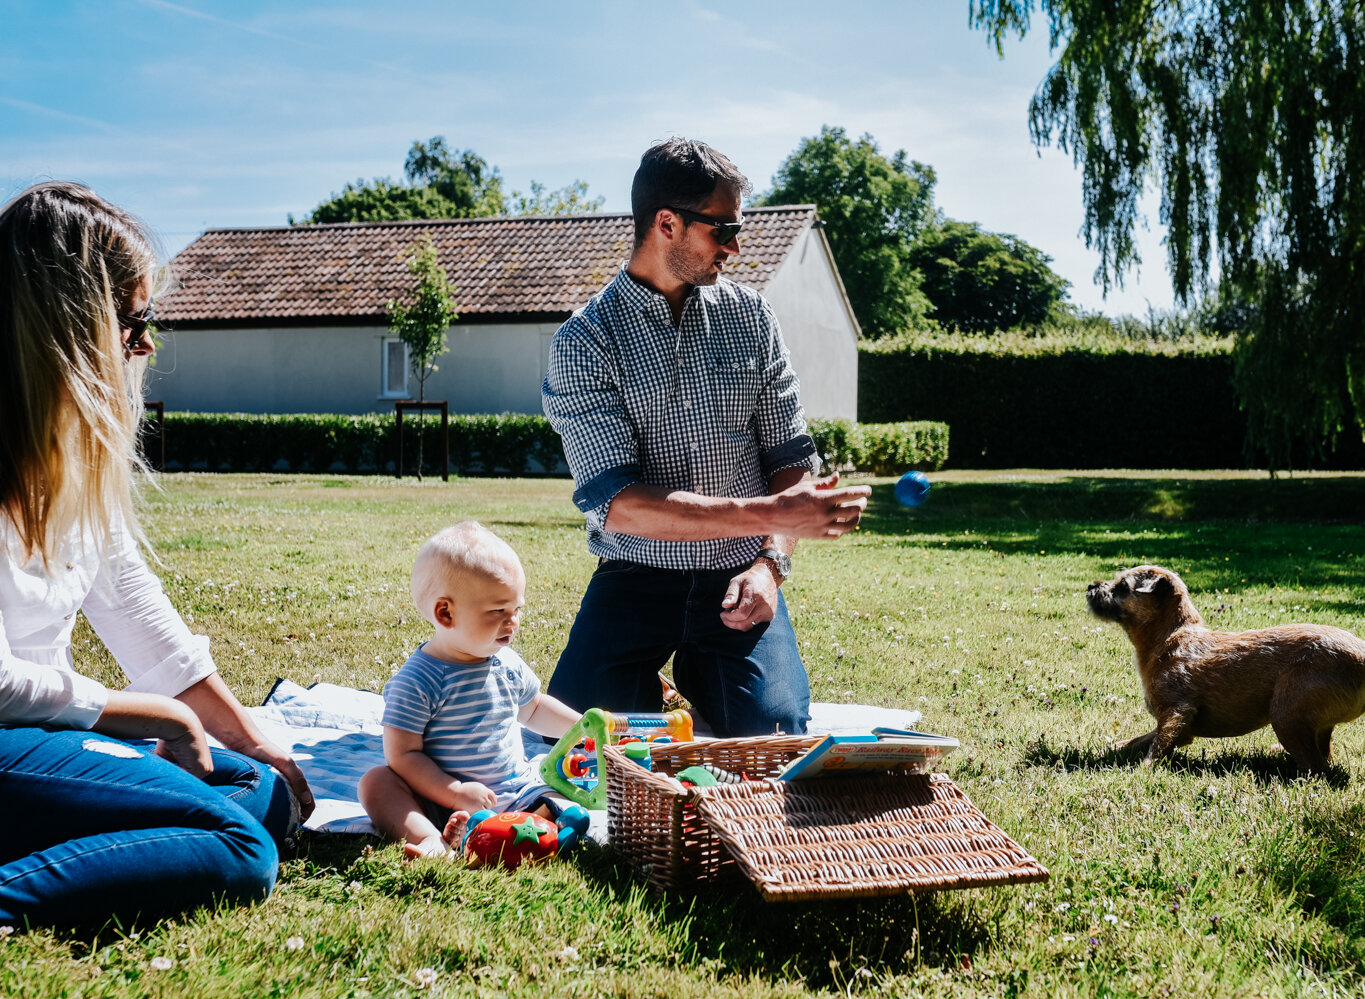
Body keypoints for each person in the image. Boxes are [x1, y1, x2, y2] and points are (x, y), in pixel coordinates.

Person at [0, 181, 315, 931]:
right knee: (241, 844)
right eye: (133, 320)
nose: (146, 345)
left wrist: (251, 736)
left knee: (257, 788)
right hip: (14, 740)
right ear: (65, 327)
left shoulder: (71, 461)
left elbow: (138, 614)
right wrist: (155, 713)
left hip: (38, 740)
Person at [542, 138, 871, 737]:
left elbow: (791, 457)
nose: (736, 246)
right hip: (634, 579)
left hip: (738, 575)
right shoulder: (584, 342)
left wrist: (770, 563)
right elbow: (620, 506)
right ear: (666, 223)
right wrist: (776, 512)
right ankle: (669, 692)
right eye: (723, 229)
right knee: (575, 743)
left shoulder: (752, 317)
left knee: (774, 737)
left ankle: (695, 681)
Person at [358, 522, 589, 860]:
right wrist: (454, 792)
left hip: (515, 791)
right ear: (445, 613)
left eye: (516, 610)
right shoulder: (418, 681)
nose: (512, 621)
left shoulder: (506, 663)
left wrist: (583, 729)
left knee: (560, 790)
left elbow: (535, 708)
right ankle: (431, 839)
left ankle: (522, 827)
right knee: (376, 783)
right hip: (441, 800)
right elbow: (402, 756)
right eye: (498, 611)